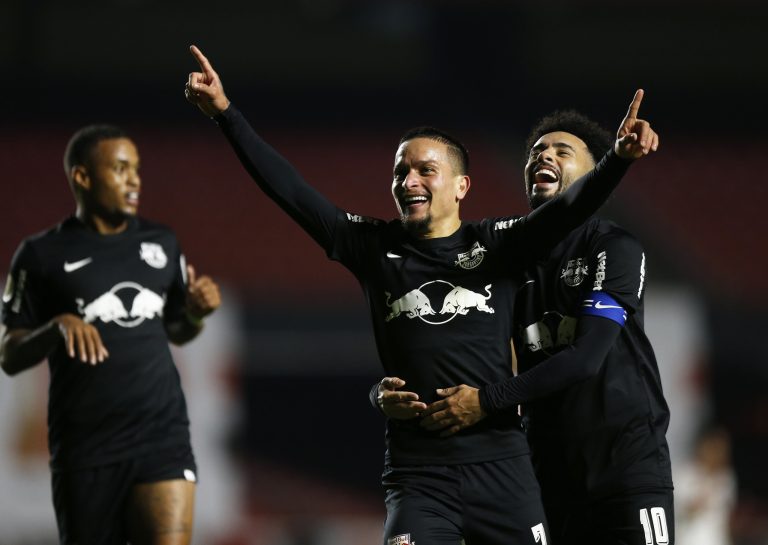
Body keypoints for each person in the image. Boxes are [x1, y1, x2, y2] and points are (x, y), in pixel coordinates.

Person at [184, 44, 656, 545]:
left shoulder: (498, 246)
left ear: (461, 186)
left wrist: (617, 160)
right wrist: (225, 115)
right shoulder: (371, 246)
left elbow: (566, 208)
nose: (408, 180)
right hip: (419, 476)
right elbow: (292, 191)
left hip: (504, 472)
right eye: (400, 172)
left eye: (425, 170)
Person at [376, 110, 673, 544]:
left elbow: (586, 358)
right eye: (535, 152)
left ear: (595, 176)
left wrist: (488, 400)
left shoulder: (613, 247)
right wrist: (381, 391)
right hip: (544, 475)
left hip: (625, 471)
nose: (542, 157)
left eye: (560, 150)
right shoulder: (504, 259)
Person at [0, 124, 221, 545]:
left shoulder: (162, 243)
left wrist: (193, 315)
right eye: (120, 168)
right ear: (82, 177)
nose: (134, 179)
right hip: (86, 449)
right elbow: (9, 355)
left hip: (162, 436)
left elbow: (177, 330)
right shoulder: (40, 255)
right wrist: (55, 328)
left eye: (136, 168)